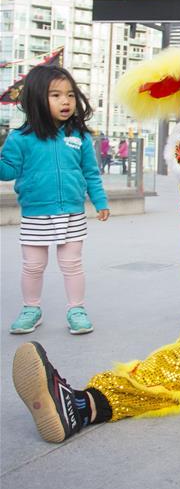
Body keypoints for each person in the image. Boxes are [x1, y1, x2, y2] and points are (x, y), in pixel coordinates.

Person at [0, 65, 109, 335]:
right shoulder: (20, 138)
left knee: (72, 264)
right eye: (56, 95)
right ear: (37, 99)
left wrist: (100, 202)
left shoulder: (79, 136)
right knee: (33, 265)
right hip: (36, 214)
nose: (66, 101)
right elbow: (7, 171)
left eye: (70, 95)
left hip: (72, 212)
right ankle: (31, 308)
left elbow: (91, 173)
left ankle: (76, 308)